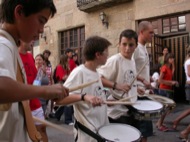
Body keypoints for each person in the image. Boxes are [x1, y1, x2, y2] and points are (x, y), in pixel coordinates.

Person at [0, 1, 68, 142]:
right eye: (41, 21)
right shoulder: (3, 44)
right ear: (19, 12)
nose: (42, 29)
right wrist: (44, 91)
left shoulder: (11, 47)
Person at [98, 29, 151, 142]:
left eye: (131, 45)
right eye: (124, 44)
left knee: (141, 137)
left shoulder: (131, 60)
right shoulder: (115, 60)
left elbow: (129, 77)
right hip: (118, 112)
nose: (127, 48)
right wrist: (116, 85)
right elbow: (97, 78)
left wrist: (136, 89)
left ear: (136, 46)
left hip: (131, 108)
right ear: (119, 44)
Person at [56, 36, 111, 142]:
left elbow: (95, 95)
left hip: (101, 131)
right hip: (88, 135)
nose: (108, 55)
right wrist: (83, 97)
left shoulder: (96, 73)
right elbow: (59, 100)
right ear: (98, 54)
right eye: (106, 52)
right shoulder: (79, 72)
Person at [19, 41, 48, 142]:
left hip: (35, 102)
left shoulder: (30, 56)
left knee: (42, 129)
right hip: (22, 105)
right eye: (31, 39)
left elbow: (35, 79)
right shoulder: (14, 55)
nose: (33, 41)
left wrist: (41, 76)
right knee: (26, 134)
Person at [133, 21, 155, 142]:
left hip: (145, 92)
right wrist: (142, 81)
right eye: (150, 32)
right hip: (138, 94)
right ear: (141, 32)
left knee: (145, 131)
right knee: (142, 131)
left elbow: (140, 70)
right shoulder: (135, 48)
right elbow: (128, 71)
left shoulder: (144, 48)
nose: (152, 35)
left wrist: (149, 78)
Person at [156, 53, 179, 131]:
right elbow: (160, 80)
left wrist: (172, 82)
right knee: (165, 108)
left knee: (167, 108)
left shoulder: (169, 68)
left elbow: (172, 72)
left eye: (173, 58)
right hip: (164, 90)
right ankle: (159, 125)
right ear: (167, 59)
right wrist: (171, 83)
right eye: (171, 58)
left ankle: (159, 123)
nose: (173, 59)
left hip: (167, 90)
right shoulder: (164, 68)